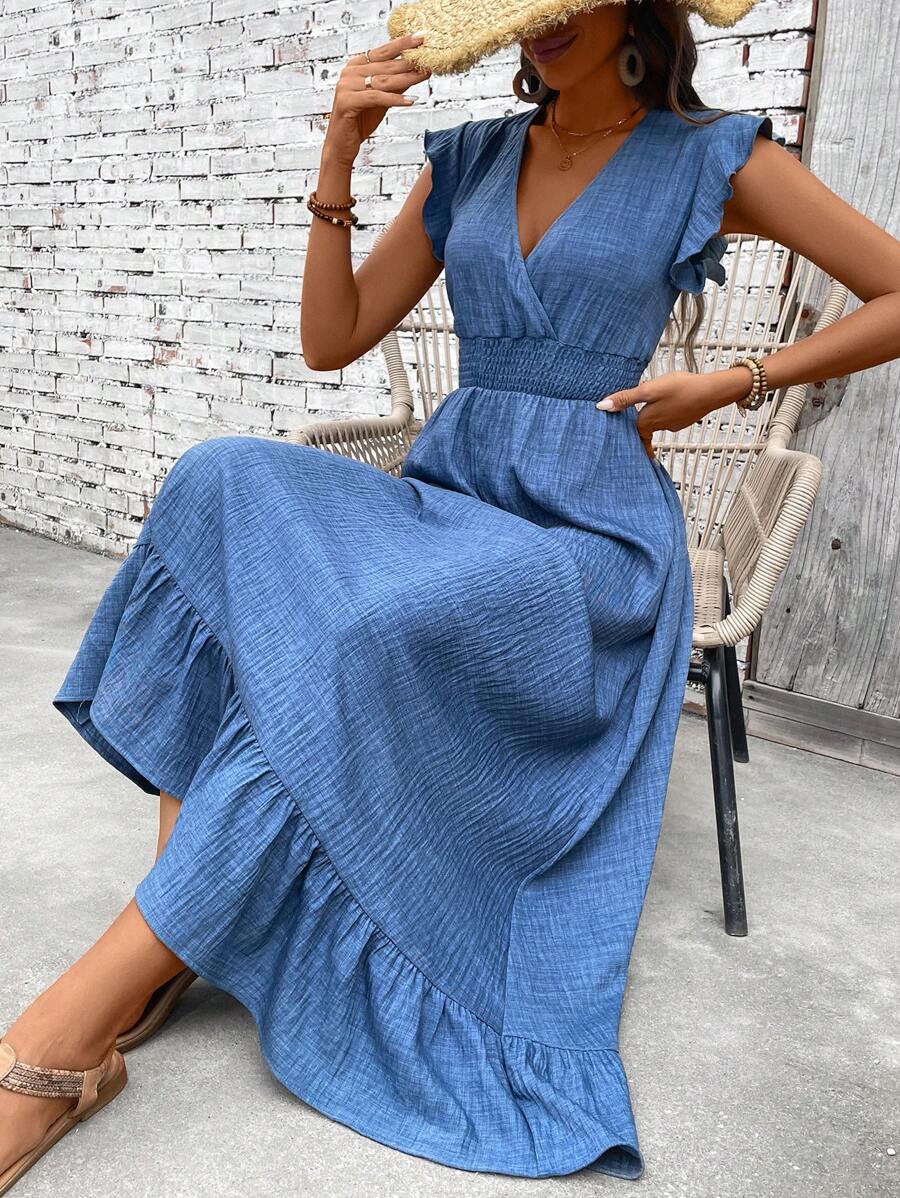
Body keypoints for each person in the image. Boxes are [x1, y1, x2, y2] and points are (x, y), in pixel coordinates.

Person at [3, 0, 900, 1191]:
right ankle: (180, 923)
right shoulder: (470, 159)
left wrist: (739, 379)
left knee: (359, 636)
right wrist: (340, 151)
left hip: (586, 537)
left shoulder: (714, 156)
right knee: (223, 481)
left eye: (566, 2)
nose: (542, 25)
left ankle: (72, 1030)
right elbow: (333, 339)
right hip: (451, 493)